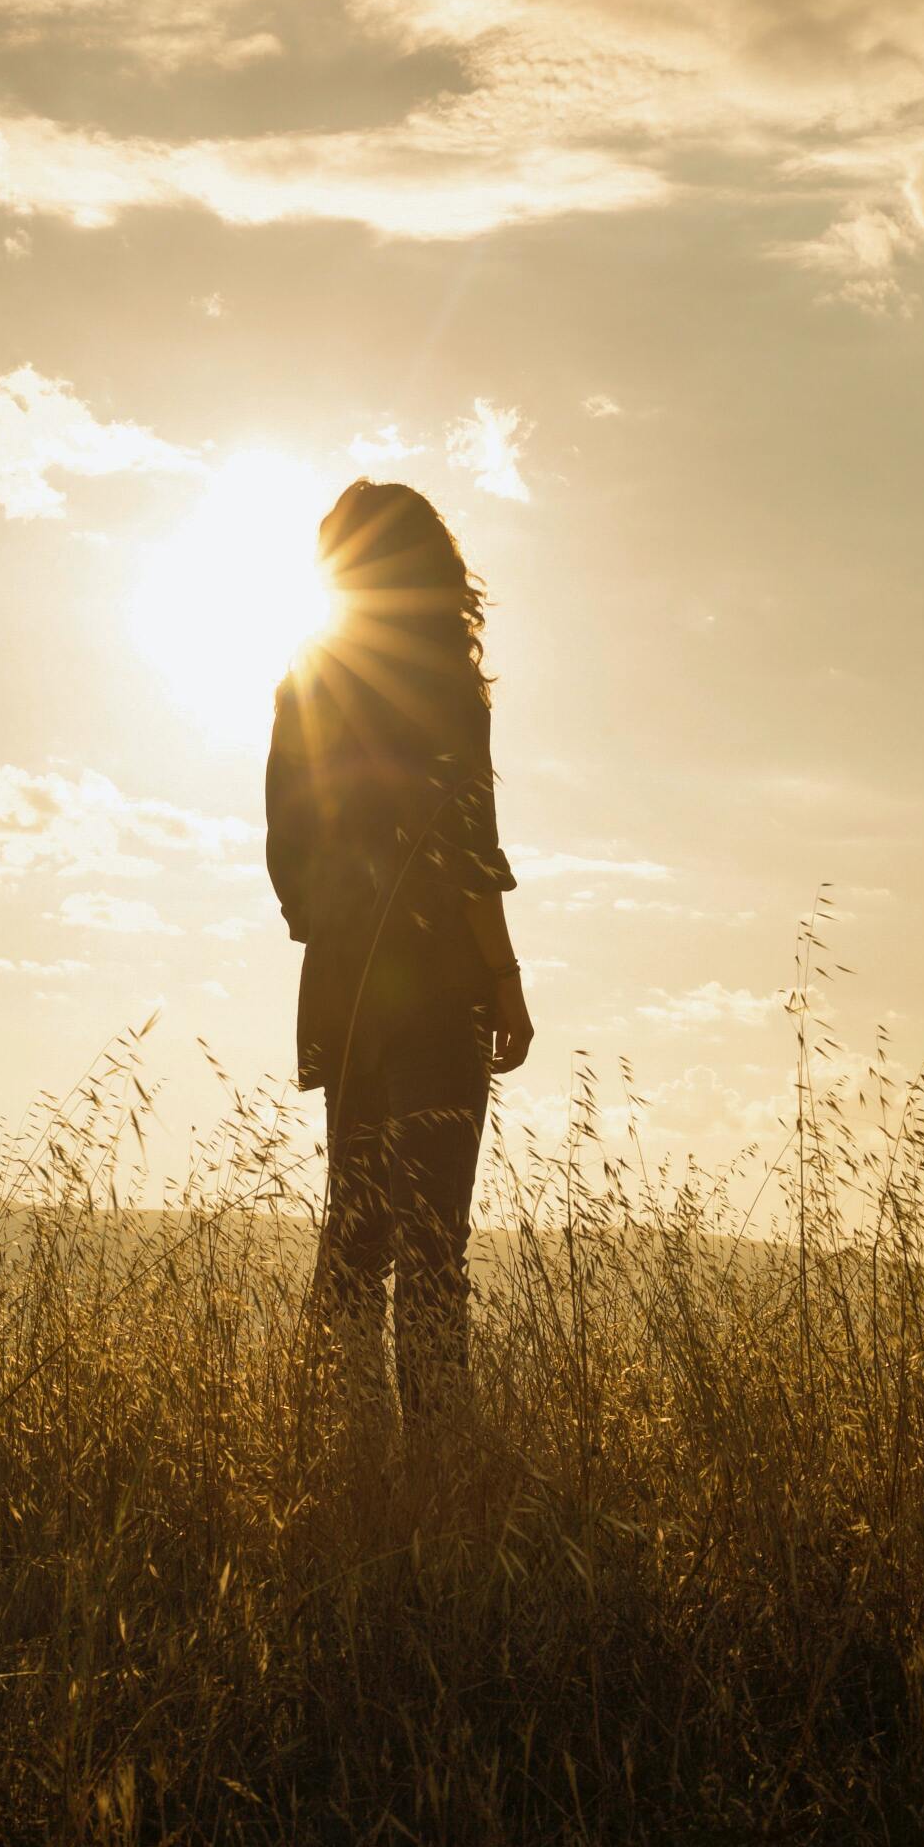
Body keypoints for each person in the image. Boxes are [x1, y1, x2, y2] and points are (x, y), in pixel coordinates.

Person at [265, 480, 532, 1420]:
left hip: (343, 989)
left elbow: (286, 853)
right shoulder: (446, 686)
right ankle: (435, 1463)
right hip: (437, 992)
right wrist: (504, 981)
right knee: (430, 1243)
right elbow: (468, 851)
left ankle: (338, 1443)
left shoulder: (305, 681)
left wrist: (341, 930)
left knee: (355, 1231)